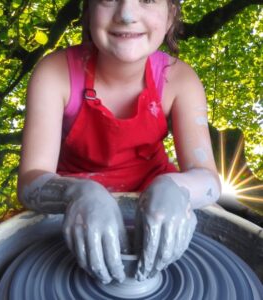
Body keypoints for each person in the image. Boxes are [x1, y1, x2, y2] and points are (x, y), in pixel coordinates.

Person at [18, 0, 221, 285]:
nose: (126, 15)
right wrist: (77, 194)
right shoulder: (55, 72)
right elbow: (30, 181)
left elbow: (209, 180)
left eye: (148, 0)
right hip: (74, 195)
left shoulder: (179, 79)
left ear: (171, 14)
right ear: (88, 12)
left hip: (158, 193)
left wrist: (177, 188)